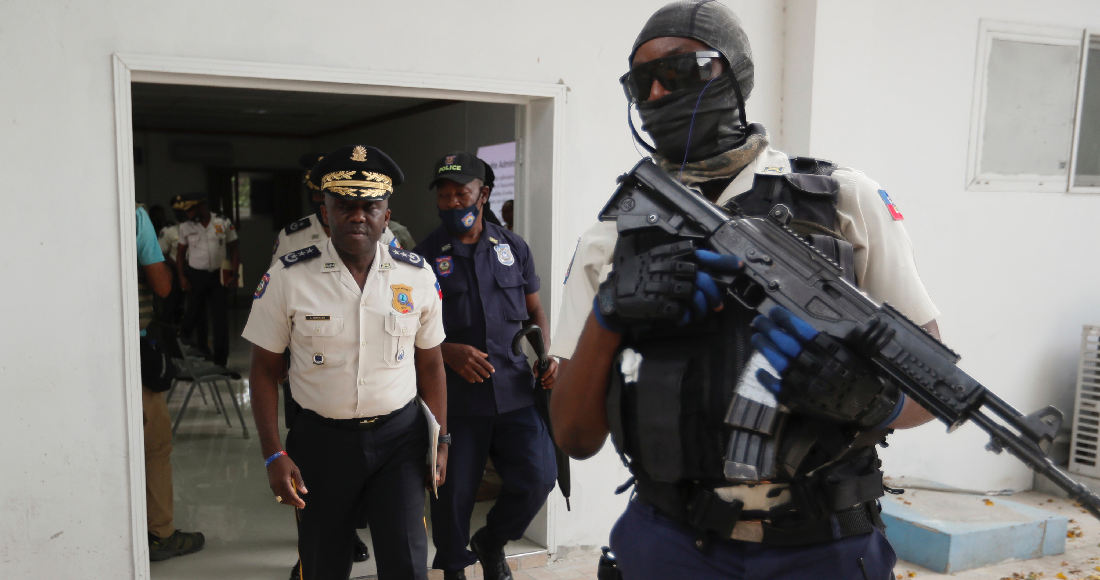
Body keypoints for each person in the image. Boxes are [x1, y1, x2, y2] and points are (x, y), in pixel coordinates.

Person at [548, 2, 940, 579]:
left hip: (824, 545)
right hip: (670, 542)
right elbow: (574, 435)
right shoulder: (611, 235)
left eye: (677, 71)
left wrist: (874, 401)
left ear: (732, 74)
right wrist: (609, 314)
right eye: (640, 82)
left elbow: (933, 385)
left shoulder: (842, 199)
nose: (656, 94)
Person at [244, 144, 449, 580]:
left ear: (386, 215)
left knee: (408, 565)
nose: (358, 216)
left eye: (370, 207)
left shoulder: (417, 276)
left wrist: (442, 440)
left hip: (400, 441)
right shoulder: (287, 277)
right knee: (323, 564)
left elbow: (431, 365)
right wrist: (273, 453)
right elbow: (262, 369)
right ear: (326, 212)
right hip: (321, 444)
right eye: (345, 206)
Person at [414, 151, 557, 580]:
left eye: (462, 193)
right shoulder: (423, 257)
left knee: (538, 478)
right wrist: (446, 351)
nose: (452, 202)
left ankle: (492, 542)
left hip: (514, 390)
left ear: (484, 194)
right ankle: (454, 568)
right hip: (455, 400)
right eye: (444, 195)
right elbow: (407, 330)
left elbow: (535, 310)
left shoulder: (513, 247)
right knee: (452, 496)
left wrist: (546, 354)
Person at [136, 204, 206, 561]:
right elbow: (163, 286)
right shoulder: (132, 216)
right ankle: (159, 533)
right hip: (129, 351)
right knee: (154, 445)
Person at [272, 153, 406, 269]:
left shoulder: (378, 233)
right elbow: (277, 279)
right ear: (324, 211)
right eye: (319, 195)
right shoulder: (292, 236)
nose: (358, 217)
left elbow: (398, 275)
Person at [176, 192, 239, 366]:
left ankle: (221, 362)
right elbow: (180, 254)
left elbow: (234, 248)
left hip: (218, 276)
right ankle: (186, 354)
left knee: (220, 320)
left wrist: (235, 274)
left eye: (190, 210)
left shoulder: (222, 222)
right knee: (193, 315)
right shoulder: (185, 227)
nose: (188, 214)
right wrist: (182, 277)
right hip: (196, 276)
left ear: (201, 207)